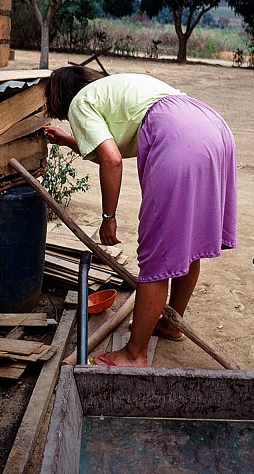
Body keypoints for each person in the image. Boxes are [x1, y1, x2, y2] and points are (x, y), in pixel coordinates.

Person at [43, 65, 237, 367]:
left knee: (156, 254)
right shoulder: (114, 88)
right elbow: (115, 141)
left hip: (179, 137)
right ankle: (171, 323)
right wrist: (71, 140)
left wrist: (109, 216)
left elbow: (111, 158)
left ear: (62, 98)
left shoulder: (81, 102)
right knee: (186, 240)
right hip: (212, 128)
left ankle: (133, 354)